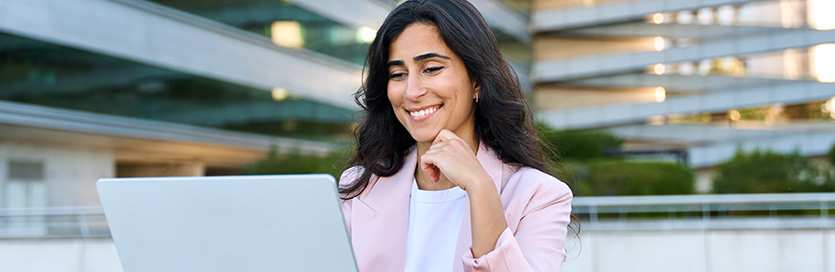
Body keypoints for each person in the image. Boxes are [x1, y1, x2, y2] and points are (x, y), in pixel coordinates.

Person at [338, 0, 574, 271]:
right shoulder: (360, 187)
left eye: (431, 69)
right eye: (398, 74)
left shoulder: (538, 195)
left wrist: (480, 187)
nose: (412, 92)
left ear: (476, 79)